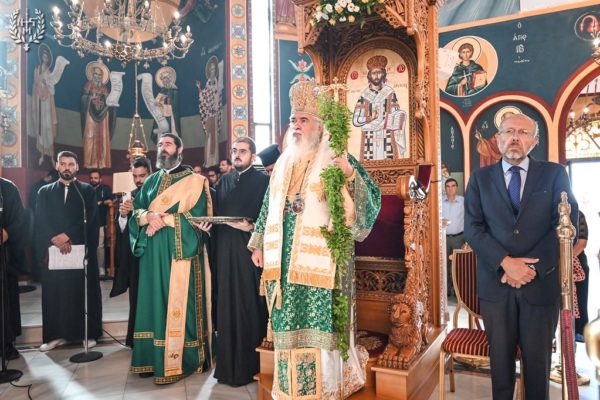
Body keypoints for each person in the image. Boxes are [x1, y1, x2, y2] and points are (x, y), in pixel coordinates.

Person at [249, 81, 381, 399]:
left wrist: (350, 175)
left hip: (322, 260)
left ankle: (323, 388)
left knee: (317, 322)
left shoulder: (337, 158)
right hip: (283, 258)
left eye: (303, 120)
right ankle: (291, 388)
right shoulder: (283, 163)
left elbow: (371, 200)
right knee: (288, 321)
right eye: (293, 120)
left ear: (319, 126)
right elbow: (268, 205)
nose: (296, 125)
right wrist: (258, 243)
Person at [464, 113, 578, 400]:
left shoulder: (554, 175)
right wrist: (506, 263)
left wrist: (531, 269)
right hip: (496, 285)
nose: (515, 137)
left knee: (538, 366)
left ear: (534, 141)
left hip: (540, 286)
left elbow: (566, 226)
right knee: (500, 366)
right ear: (498, 139)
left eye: (523, 133)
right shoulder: (479, 179)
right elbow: (473, 229)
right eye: (509, 131)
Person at [129, 133, 213, 384]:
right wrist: (148, 217)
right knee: (152, 302)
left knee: (178, 304)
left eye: (167, 144)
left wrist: (162, 219)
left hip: (179, 253)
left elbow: (198, 218)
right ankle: (149, 358)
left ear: (179, 149)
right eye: (159, 145)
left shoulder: (196, 181)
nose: (162, 148)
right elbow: (137, 210)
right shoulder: (151, 180)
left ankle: (179, 359)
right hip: (152, 252)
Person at [195, 137, 269, 386]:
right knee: (226, 307)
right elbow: (216, 216)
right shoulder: (224, 181)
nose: (237, 154)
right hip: (224, 252)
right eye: (235, 150)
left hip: (249, 252)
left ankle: (252, 366)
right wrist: (208, 227)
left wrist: (252, 227)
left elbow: (269, 218)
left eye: (243, 151)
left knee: (249, 305)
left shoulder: (264, 182)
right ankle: (228, 368)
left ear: (253, 156)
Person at [35, 151, 102, 351]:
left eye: (71, 164)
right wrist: (55, 238)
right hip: (54, 250)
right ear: (57, 166)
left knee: (83, 293)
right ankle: (55, 335)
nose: (67, 167)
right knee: (54, 293)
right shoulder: (44, 192)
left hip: (80, 250)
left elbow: (91, 219)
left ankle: (88, 334)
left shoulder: (86, 191)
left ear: (77, 167)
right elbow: (40, 219)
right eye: (63, 163)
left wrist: (68, 236)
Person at [110, 157, 152, 347]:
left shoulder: (157, 194)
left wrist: (138, 210)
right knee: (136, 297)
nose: (138, 180)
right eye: (135, 176)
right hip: (136, 255)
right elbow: (122, 229)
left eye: (142, 175)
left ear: (150, 173)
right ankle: (135, 340)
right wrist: (123, 215)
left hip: (154, 253)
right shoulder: (129, 195)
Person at [352, 55, 408, 160]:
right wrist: (370, 118)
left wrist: (398, 116)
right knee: (369, 160)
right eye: (374, 73)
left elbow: (396, 116)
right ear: (369, 75)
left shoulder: (390, 93)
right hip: (369, 138)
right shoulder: (364, 96)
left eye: (379, 72)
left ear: (383, 74)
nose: (376, 76)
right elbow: (355, 121)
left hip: (387, 136)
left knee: (389, 160)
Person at [0, 178, 29, 360]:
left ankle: (6, 343)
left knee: (5, 300)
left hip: (4, 254)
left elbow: (19, 218)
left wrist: (7, 232)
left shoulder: (7, 188)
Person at [81, 62, 116, 168]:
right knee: (90, 136)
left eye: (100, 75)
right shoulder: (88, 85)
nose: (98, 76)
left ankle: (102, 163)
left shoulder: (104, 88)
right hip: (90, 114)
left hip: (103, 115)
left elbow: (108, 101)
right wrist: (90, 98)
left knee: (103, 136)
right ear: (92, 75)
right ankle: (89, 162)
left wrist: (110, 101)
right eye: (96, 74)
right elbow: (83, 99)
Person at [197, 56, 222, 167]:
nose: (212, 71)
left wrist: (214, 107)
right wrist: (199, 88)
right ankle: (208, 160)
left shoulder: (216, 83)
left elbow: (217, 97)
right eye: (210, 69)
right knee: (208, 136)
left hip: (214, 114)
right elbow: (203, 97)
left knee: (213, 137)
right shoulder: (208, 84)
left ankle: (214, 160)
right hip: (208, 114)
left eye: (213, 69)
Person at [442, 178, 464, 297]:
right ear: (445, 188)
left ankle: (457, 292)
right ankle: (445, 291)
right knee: (444, 265)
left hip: (459, 238)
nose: (450, 188)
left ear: (457, 188)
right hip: (443, 238)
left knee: (458, 265)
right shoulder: (439, 201)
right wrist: (440, 222)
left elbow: (469, 218)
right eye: (448, 186)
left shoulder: (463, 201)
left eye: (453, 186)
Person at [89, 169, 113, 277]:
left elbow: (112, 200)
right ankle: (89, 268)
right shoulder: (86, 188)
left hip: (100, 222)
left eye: (95, 178)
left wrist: (102, 202)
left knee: (100, 246)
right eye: (91, 178)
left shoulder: (105, 188)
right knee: (88, 246)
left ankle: (101, 268)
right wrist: (98, 203)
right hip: (87, 223)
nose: (93, 180)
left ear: (100, 179)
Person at [574, 210, 589, 341]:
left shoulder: (578, 215)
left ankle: (579, 331)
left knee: (580, 300)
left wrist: (565, 260)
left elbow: (582, 243)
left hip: (577, 263)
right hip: (554, 264)